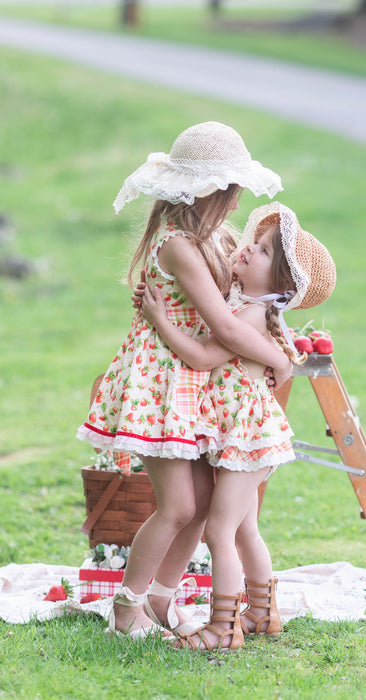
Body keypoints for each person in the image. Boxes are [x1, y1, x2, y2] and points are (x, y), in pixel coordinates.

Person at [76, 122, 290, 639]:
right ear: (210, 192)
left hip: (192, 380)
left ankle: (159, 599)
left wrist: (274, 337)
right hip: (163, 383)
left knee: (195, 509)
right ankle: (126, 608)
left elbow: (252, 299)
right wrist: (282, 361)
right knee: (177, 507)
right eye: (232, 193)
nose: (237, 207)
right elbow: (221, 327)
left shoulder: (211, 236)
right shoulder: (178, 245)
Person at [134, 202, 336, 650]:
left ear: (280, 284)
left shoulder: (246, 316)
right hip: (239, 438)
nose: (248, 249)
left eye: (262, 252)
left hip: (245, 440)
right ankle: (262, 613)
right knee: (244, 529)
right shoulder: (245, 303)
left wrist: (161, 322)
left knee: (220, 531)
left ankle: (223, 628)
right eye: (256, 242)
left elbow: (204, 355)